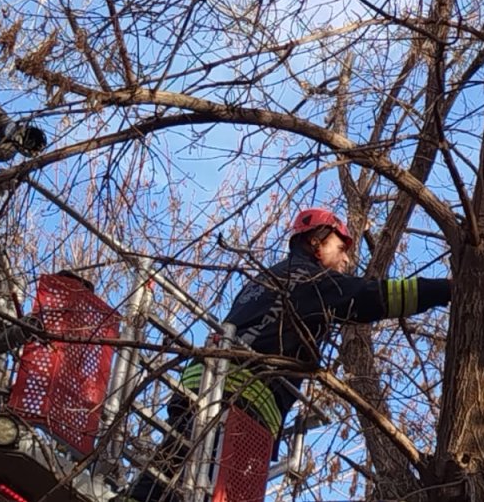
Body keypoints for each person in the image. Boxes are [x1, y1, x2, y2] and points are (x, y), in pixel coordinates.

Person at [129, 208, 451, 502]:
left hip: (204, 385)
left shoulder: (270, 277)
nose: (346, 261)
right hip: (243, 398)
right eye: (340, 249)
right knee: (204, 484)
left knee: (172, 469)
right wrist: (446, 290)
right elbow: (374, 297)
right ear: (316, 243)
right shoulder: (310, 280)